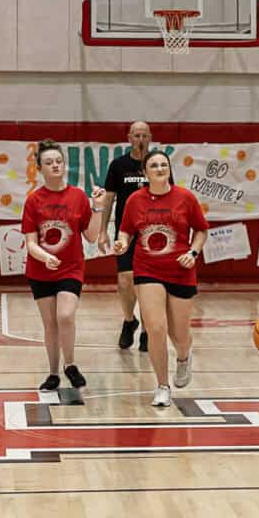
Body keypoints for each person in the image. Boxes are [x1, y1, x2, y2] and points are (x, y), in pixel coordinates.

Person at [112, 150, 208, 407]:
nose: (159, 168)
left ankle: (184, 356)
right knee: (155, 328)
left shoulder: (185, 198)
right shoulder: (135, 200)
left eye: (163, 164)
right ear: (145, 172)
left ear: (169, 169)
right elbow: (125, 231)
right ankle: (162, 386)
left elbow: (200, 230)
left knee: (179, 335)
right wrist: (122, 243)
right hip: (147, 269)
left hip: (180, 269)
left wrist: (193, 252)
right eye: (153, 165)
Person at [20, 140, 106, 392]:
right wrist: (43, 257)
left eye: (58, 161)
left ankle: (71, 365)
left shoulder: (78, 196)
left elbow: (91, 236)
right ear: (39, 168)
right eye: (49, 162)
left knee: (65, 316)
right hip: (40, 269)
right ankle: (53, 372)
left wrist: (98, 207)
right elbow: (30, 243)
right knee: (50, 324)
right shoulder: (33, 201)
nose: (55, 165)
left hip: (71, 268)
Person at [98, 121, 151, 351]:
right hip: (126, 233)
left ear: (150, 137)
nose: (140, 139)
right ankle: (130, 321)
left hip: (154, 235)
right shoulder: (118, 165)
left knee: (150, 285)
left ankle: (148, 330)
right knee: (125, 280)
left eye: (144, 135)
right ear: (129, 137)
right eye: (136, 135)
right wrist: (102, 231)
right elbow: (108, 199)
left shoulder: (158, 164)